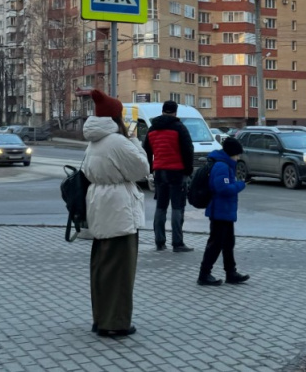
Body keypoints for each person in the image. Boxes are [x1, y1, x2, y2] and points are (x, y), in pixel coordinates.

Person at [82, 90, 150, 337]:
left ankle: (100, 318)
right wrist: (133, 140)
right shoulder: (117, 141)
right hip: (118, 209)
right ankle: (115, 322)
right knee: (119, 270)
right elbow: (141, 169)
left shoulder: (95, 140)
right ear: (116, 117)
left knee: (102, 266)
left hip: (100, 205)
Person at [143, 100, 195, 252]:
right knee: (177, 208)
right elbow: (188, 150)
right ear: (175, 112)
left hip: (159, 172)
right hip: (177, 172)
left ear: (163, 110)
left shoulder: (152, 129)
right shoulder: (179, 128)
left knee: (161, 207)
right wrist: (188, 170)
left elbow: (146, 151)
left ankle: (159, 241)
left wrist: (151, 168)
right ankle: (177, 243)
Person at [197, 138, 250, 286]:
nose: (238, 158)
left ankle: (231, 273)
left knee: (228, 244)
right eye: (237, 155)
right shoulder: (221, 166)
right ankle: (204, 274)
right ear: (232, 153)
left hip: (225, 212)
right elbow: (223, 189)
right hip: (219, 213)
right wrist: (240, 185)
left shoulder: (226, 165)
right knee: (215, 244)